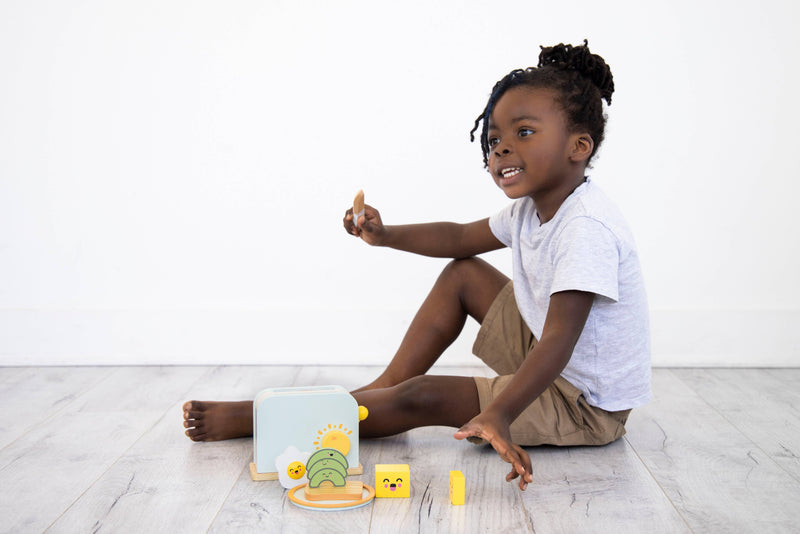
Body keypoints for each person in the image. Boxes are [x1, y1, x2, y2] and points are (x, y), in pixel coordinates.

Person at [183, 40, 651, 491]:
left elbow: (558, 342)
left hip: (583, 406)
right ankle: (383, 389)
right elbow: (459, 238)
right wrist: (386, 236)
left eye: (523, 133)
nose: (501, 149)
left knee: (423, 396)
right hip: (553, 359)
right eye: (494, 139)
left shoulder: (587, 228)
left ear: (579, 146)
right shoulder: (532, 209)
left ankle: (265, 417)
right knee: (463, 273)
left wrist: (500, 412)